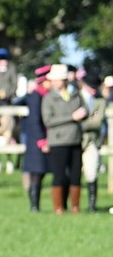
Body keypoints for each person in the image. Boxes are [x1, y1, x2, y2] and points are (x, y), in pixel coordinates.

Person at [40, 63, 88, 214]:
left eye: (58, 79)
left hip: (75, 139)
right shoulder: (49, 98)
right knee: (59, 174)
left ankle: (75, 206)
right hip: (58, 140)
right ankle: (58, 207)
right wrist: (71, 117)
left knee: (76, 174)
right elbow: (48, 120)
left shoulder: (76, 95)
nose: (55, 82)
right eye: (53, 80)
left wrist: (84, 113)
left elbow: (86, 109)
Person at [15, 65, 51, 212]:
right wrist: (42, 140)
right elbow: (35, 120)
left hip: (40, 138)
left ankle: (35, 205)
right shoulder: (36, 96)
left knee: (40, 173)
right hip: (37, 139)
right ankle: (34, 206)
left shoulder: (43, 95)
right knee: (36, 172)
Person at [78, 71, 108, 212]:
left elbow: (97, 121)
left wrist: (80, 123)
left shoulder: (99, 101)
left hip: (91, 141)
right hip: (76, 139)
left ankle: (92, 205)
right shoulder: (76, 98)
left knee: (92, 172)